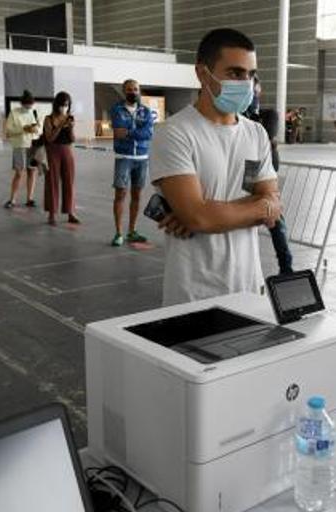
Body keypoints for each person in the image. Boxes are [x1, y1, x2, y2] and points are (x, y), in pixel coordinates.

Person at [149, 28, 282, 305]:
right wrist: (258, 206)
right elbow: (200, 218)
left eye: (251, 74)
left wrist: (203, 214)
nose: (246, 82)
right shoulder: (175, 133)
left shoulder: (255, 134)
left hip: (248, 287)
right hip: (194, 293)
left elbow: (272, 206)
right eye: (235, 73)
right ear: (202, 73)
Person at [245, 78, 293, 274]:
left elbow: (265, 139)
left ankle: (286, 265)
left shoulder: (267, 115)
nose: (253, 96)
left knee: (273, 215)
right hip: (247, 166)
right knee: (245, 209)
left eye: (255, 93)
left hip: (259, 167)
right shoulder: (236, 118)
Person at [109, 79, 155, 246]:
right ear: (124, 91)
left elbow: (149, 133)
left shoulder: (146, 111)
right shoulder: (117, 110)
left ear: (139, 91)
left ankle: (132, 231)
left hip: (142, 158)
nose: (133, 92)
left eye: (135, 89)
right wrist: (137, 131)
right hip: (124, 157)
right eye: (129, 89)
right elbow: (119, 131)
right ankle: (119, 233)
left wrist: (129, 132)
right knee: (120, 194)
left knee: (137, 195)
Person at [41, 91, 79, 225]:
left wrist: (71, 128)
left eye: (67, 105)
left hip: (67, 150)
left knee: (69, 181)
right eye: (62, 105)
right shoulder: (48, 119)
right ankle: (52, 214)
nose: (64, 108)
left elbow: (73, 139)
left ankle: (70, 212)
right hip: (53, 151)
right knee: (52, 182)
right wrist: (60, 126)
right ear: (56, 105)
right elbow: (50, 138)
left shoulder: (70, 118)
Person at [4, 90, 41, 209]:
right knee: (19, 173)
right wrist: (23, 129)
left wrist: (36, 130)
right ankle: (12, 200)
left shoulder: (32, 112)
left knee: (32, 171)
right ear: (22, 103)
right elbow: (8, 130)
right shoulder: (14, 113)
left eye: (31, 105)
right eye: (27, 105)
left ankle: (29, 199)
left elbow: (38, 129)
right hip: (19, 146)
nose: (29, 107)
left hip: (32, 145)